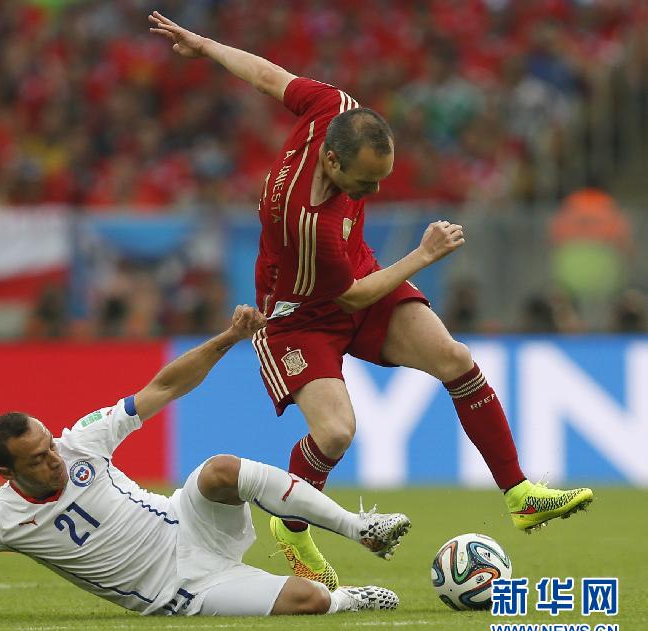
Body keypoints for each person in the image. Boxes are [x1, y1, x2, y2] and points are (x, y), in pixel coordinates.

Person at [148, 10, 593, 590]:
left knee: (455, 360)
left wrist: (205, 44)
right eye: (364, 184)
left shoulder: (331, 108)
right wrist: (422, 256)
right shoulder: (309, 224)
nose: (373, 193)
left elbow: (267, 76)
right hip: (298, 316)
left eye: (381, 178)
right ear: (331, 162)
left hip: (356, 278)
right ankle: (291, 526)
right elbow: (352, 298)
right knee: (335, 434)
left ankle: (520, 494)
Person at [0, 306, 408, 621]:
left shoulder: (80, 442)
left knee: (220, 469)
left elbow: (164, 386)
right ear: (8, 474)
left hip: (187, 525)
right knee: (307, 605)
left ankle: (362, 529)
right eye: (38, 459)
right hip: (181, 589)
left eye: (48, 443)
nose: (54, 458)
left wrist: (228, 339)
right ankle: (351, 598)